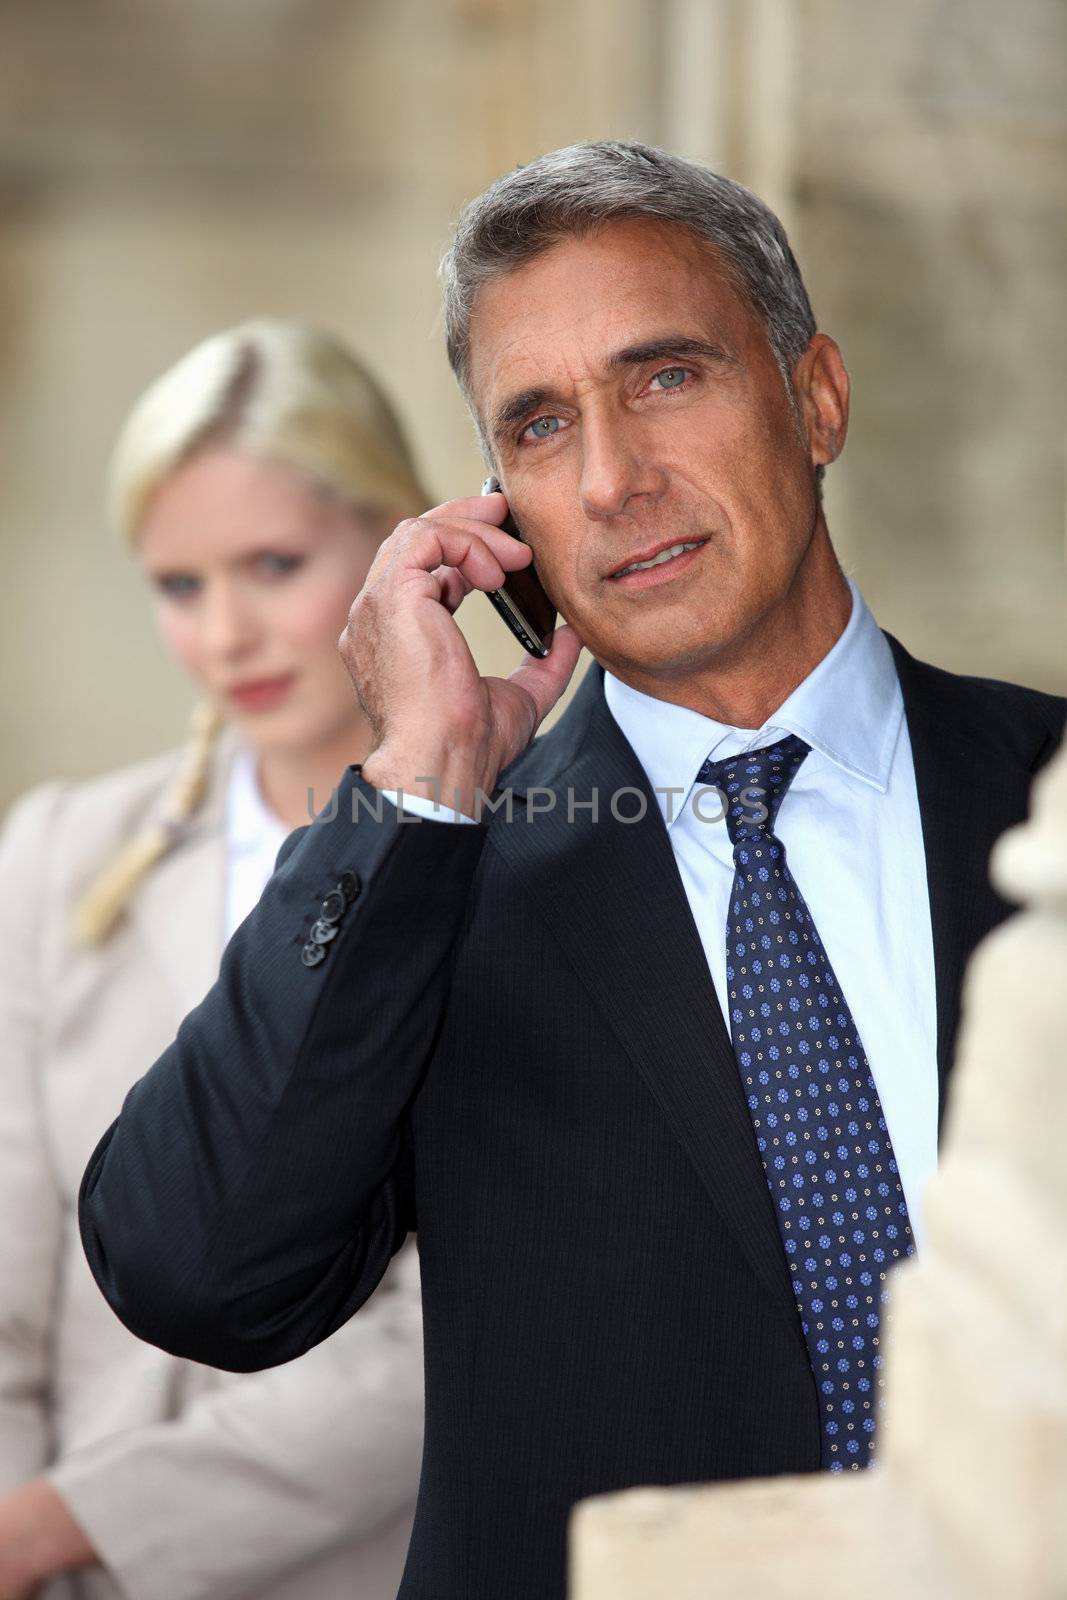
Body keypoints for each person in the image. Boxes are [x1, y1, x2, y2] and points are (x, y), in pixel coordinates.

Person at [77, 145, 1066, 1600]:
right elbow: (195, 1274)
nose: (610, 480)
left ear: (814, 399)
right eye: (539, 428)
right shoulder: (434, 875)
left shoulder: (1046, 793)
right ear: (494, 515)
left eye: (666, 377)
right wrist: (413, 783)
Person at [0, 320, 431, 1600]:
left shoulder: (507, 863)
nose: (226, 632)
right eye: (180, 586)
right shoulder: (61, 855)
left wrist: (66, 1525)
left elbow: (443, 1334)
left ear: (400, 536)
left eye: (273, 563)